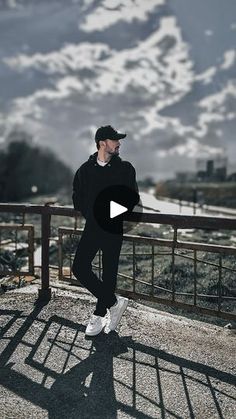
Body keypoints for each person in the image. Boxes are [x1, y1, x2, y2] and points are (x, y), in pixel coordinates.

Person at [72, 125, 139, 336]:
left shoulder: (125, 168)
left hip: (113, 228)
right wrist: (92, 214)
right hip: (92, 227)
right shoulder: (85, 170)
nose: (119, 143)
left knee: (109, 273)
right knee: (79, 268)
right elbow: (77, 199)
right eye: (115, 140)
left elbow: (132, 198)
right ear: (103, 143)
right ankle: (113, 302)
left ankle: (98, 316)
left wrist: (108, 213)